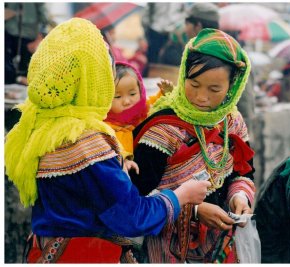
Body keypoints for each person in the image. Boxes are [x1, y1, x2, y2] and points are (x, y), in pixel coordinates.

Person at [4, 18, 210, 263]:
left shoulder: (41, 124)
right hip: (86, 256)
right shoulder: (86, 142)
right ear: (92, 77)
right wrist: (181, 196)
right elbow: (131, 217)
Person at [128, 28, 256, 263]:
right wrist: (194, 210)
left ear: (232, 88)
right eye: (194, 84)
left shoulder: (232, 123)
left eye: (214, 89)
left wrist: (239, 197)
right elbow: (136, 196)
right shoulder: (162, 129)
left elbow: (243, 172)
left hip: (220, 245)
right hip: (165, 247)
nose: (201, 97)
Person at [183, 2, 256, 142]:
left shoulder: (228, 55)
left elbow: (245, 104)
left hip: (226, 132)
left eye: (187, 24)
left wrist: (239, 137)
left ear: (197, 25)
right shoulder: (195, 50)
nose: (185, 30)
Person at [5, 3, 56, 84]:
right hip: (7, 36)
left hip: (29, 39)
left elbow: (45, 20)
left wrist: (39, 39)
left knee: (26, 71)